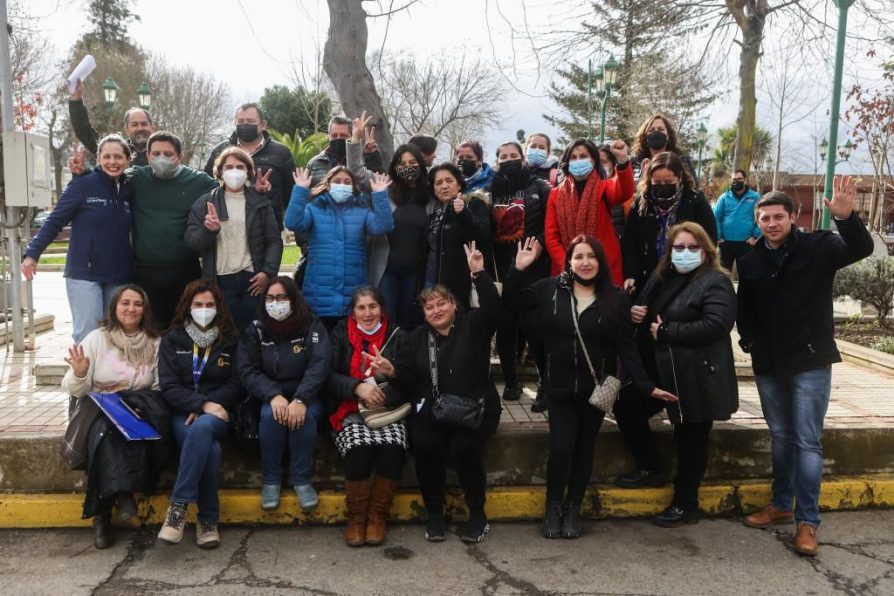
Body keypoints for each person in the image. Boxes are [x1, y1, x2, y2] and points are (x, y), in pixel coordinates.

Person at [738, 178, 873, 556]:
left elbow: (860, 248)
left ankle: (807, 521)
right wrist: (748, 342)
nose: (771, 223)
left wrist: (847, 219)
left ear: (793, 217)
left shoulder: (820, 246)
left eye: (778, 216)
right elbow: (744, 307)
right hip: (768, 363)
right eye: (764, 218)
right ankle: (781, 504)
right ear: (757, 222)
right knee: (780, 436)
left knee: (807, 441)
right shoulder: (750, 260)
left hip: (810, 360)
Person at [505, 235, 670, 539]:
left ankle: (573, 509)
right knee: (561, 448)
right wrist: (518, 270)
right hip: (559, 387)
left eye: (591, 256)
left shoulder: (616, 297)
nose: (585, 262)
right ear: (568, 261)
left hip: (597, 390)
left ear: (601, 261)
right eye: (578, 256)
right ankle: (553, 507)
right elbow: (511, 304)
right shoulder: (549, 290)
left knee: (584, 450)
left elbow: (626, 346)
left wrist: (647, 387)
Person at [373, 242, 501, 544]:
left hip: (476, 405)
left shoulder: (473, 325)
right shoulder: (416, 338)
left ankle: (477, 514)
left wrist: (479, 274)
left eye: (441, 303)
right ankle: (434, 513)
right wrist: (392, 373)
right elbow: (407, 382)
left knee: (463, 448)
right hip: (435, 407)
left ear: (454, 305)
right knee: (426, 443)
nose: (436, 310)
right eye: (429, 307)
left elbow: (495, 308)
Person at [618, 222, 738, 528]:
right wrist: (635, 313)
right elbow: (645, 311)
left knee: (691, 439)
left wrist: (669, 331)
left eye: (692, 248)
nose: (685, 253)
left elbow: (717, 324)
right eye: (679, 248)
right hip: (661, 371)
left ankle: (686, 504)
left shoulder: (715, 281)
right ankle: (650, 467)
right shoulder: (662, 276)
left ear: (706, 250)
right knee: (627, 407)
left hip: (693, 374)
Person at [61, 284, 164, 549]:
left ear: (145, 309)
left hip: (138, 408)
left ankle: (102, 515)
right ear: (114, 307)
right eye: (125, 303)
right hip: (96, 406)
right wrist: (81, 373)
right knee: (106, 429)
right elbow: (74, 389)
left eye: (138, 304)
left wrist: (141, 404)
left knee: (116, 427)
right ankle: (121, 496)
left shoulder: (154, 342)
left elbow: (158, 386)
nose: (131, 309)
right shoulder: (97, 339)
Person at [24, 134, 134, 343]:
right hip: (85, 274)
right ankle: (84, 376)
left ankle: (112, 377)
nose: (113, 162)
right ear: (99, 158)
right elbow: (55, 221)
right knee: (89, 336)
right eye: (107, 156)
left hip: (119, 276)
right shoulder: (83, 185)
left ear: (128, 160)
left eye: (119, 157)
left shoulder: (130, 189)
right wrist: (32, 253)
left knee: (116, 337)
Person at [157, 280, 242, 549]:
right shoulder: (173, 339)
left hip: (220, 413)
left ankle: (178, 507)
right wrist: (199, 405)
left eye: (209, 305)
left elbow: (237, 383)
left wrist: (210, 405)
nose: (203, 309)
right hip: (183, 413)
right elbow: (169, 386)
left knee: (205, 428)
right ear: (187, 307)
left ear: (218, 308)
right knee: (211, 449)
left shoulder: (230, 340)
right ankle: (207, 521)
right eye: (198, 305)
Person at [238, 276, 331, 513]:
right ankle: (271, 480)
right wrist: (272, 395)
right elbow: (247, 369)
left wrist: (301, 399)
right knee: (271, 416)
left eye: (281, 298)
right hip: (271, 394)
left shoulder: (312, 325)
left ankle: (301, 479)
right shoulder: (256, 329)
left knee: (304, 417)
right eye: (270, 298)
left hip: (307, 394)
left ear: (293, 299)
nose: (275, 303)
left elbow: (319, 365)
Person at [326, 286, 410, 546]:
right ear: (353, 312)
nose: (367, 313)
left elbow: (413, 380)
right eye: (361, 308)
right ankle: (357, 519)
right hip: (349, 408)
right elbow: (326, 376)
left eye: (372, 306)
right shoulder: (339, 333)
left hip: (388, 409)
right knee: (359, 450)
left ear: (382, 309)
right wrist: (356, 388)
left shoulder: (398, 335)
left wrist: (393, 376)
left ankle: (377, 517)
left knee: (392, 448)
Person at [284, 167, 394, 330]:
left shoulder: (362, 209)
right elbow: (293, 222)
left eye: (347, 182)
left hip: (352, 292)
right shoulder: (314, 208)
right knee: (321, 346)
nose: (342, 185)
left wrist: (379, 195)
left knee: (348, 346)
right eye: (337, 181)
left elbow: (383, 226)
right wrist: (300, 190)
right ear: (328, 185)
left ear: (353, 186)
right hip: (319, 293)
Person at [185, 147, 283, 331]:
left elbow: (274, 241)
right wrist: (208, 231)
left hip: (252, 280)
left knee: (254, 333)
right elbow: (192, 242)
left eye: (240, 166)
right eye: (229, 166)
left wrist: (267, 272)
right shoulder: (205, 203)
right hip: (219, 280)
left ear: (248, 171)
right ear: (220, 171)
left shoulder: (260, 203)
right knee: (225, 333)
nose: (234, 171)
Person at [486, 141, 551, 404]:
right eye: (503, 156)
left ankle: (545, 384)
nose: (509, 159)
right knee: (506, 327)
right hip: (503, 268)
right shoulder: (490, 190)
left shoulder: (539, 186)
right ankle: (512, 384)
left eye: (514, 155)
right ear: (497, 160)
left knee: (534, 326)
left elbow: (551, 223)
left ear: (523, 158)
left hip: (535, 267)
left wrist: (540, 247)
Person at [621, 151, 717, 299]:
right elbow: (629, 242)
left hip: (687, 278)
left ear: (679, 178)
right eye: (657, 183)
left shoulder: (695, 201)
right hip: (648, 277)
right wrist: (631, 274)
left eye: (668, 182)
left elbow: (710, 238)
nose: (663, 187)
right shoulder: (642, 204)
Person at [543, 138, 634, 285]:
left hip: (603, 267)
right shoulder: (555, 194)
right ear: (567, 162)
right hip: (567, 269)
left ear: (593, 160)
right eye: (573, 157)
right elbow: (551, 236)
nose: (578, 160)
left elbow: (625, 192)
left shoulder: (604, 187)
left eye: (584, 156)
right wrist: (568, 264)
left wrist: (622, 160)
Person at [204, 103, 296, 225]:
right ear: (235, 123)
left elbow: (290, 191)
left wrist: (274, 209)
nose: (245, 124)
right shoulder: (220, 151)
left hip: (267, 225)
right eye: (240, 121)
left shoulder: (281, 153)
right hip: (227, 224)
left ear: (263, 125)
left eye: (250, 121)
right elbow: (208, 186)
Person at [424, 163, 492, 309]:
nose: (444, 186)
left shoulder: (473, 203)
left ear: (459, 185)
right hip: (435, 285)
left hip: (464, 285)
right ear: (434, 190)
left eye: (449, 181)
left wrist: (462, 214)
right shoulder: (434, 212)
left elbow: (482, 235)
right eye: (439, 183)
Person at [69, 79, 153, 166]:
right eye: (134, 125)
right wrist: (76, 100)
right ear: (126, 129)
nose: (140, 128)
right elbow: (84, 131)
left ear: (152, 127)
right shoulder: (113, 148)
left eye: (144, 124)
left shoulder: (164, 150)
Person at [306, 116, 384, 187]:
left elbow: (380, 183)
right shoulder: (315, 163)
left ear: (352, 136)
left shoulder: (362, 160)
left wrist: (372, 156)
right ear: (329, 136)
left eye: (343, 136)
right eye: (334, 136)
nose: (338, 139)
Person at [713, 169, 761, 273]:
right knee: (723, 274)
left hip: (746, 243)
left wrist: (755, 236)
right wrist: (719, 236)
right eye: (734, 179)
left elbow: (761, 217)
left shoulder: (755, 197)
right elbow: (716, 217)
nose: (737, 181)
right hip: (726, 243)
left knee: (746, 275)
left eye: (739, 179)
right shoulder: (724, 197)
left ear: (745, 180)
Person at [631, 114, 697, 186]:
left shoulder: (682, 161)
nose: (656, 132)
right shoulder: (635, 163)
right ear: (645, 136)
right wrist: (644, 177)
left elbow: (693, 188)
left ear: (668, 135)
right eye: (651, 130)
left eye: (660, 129)